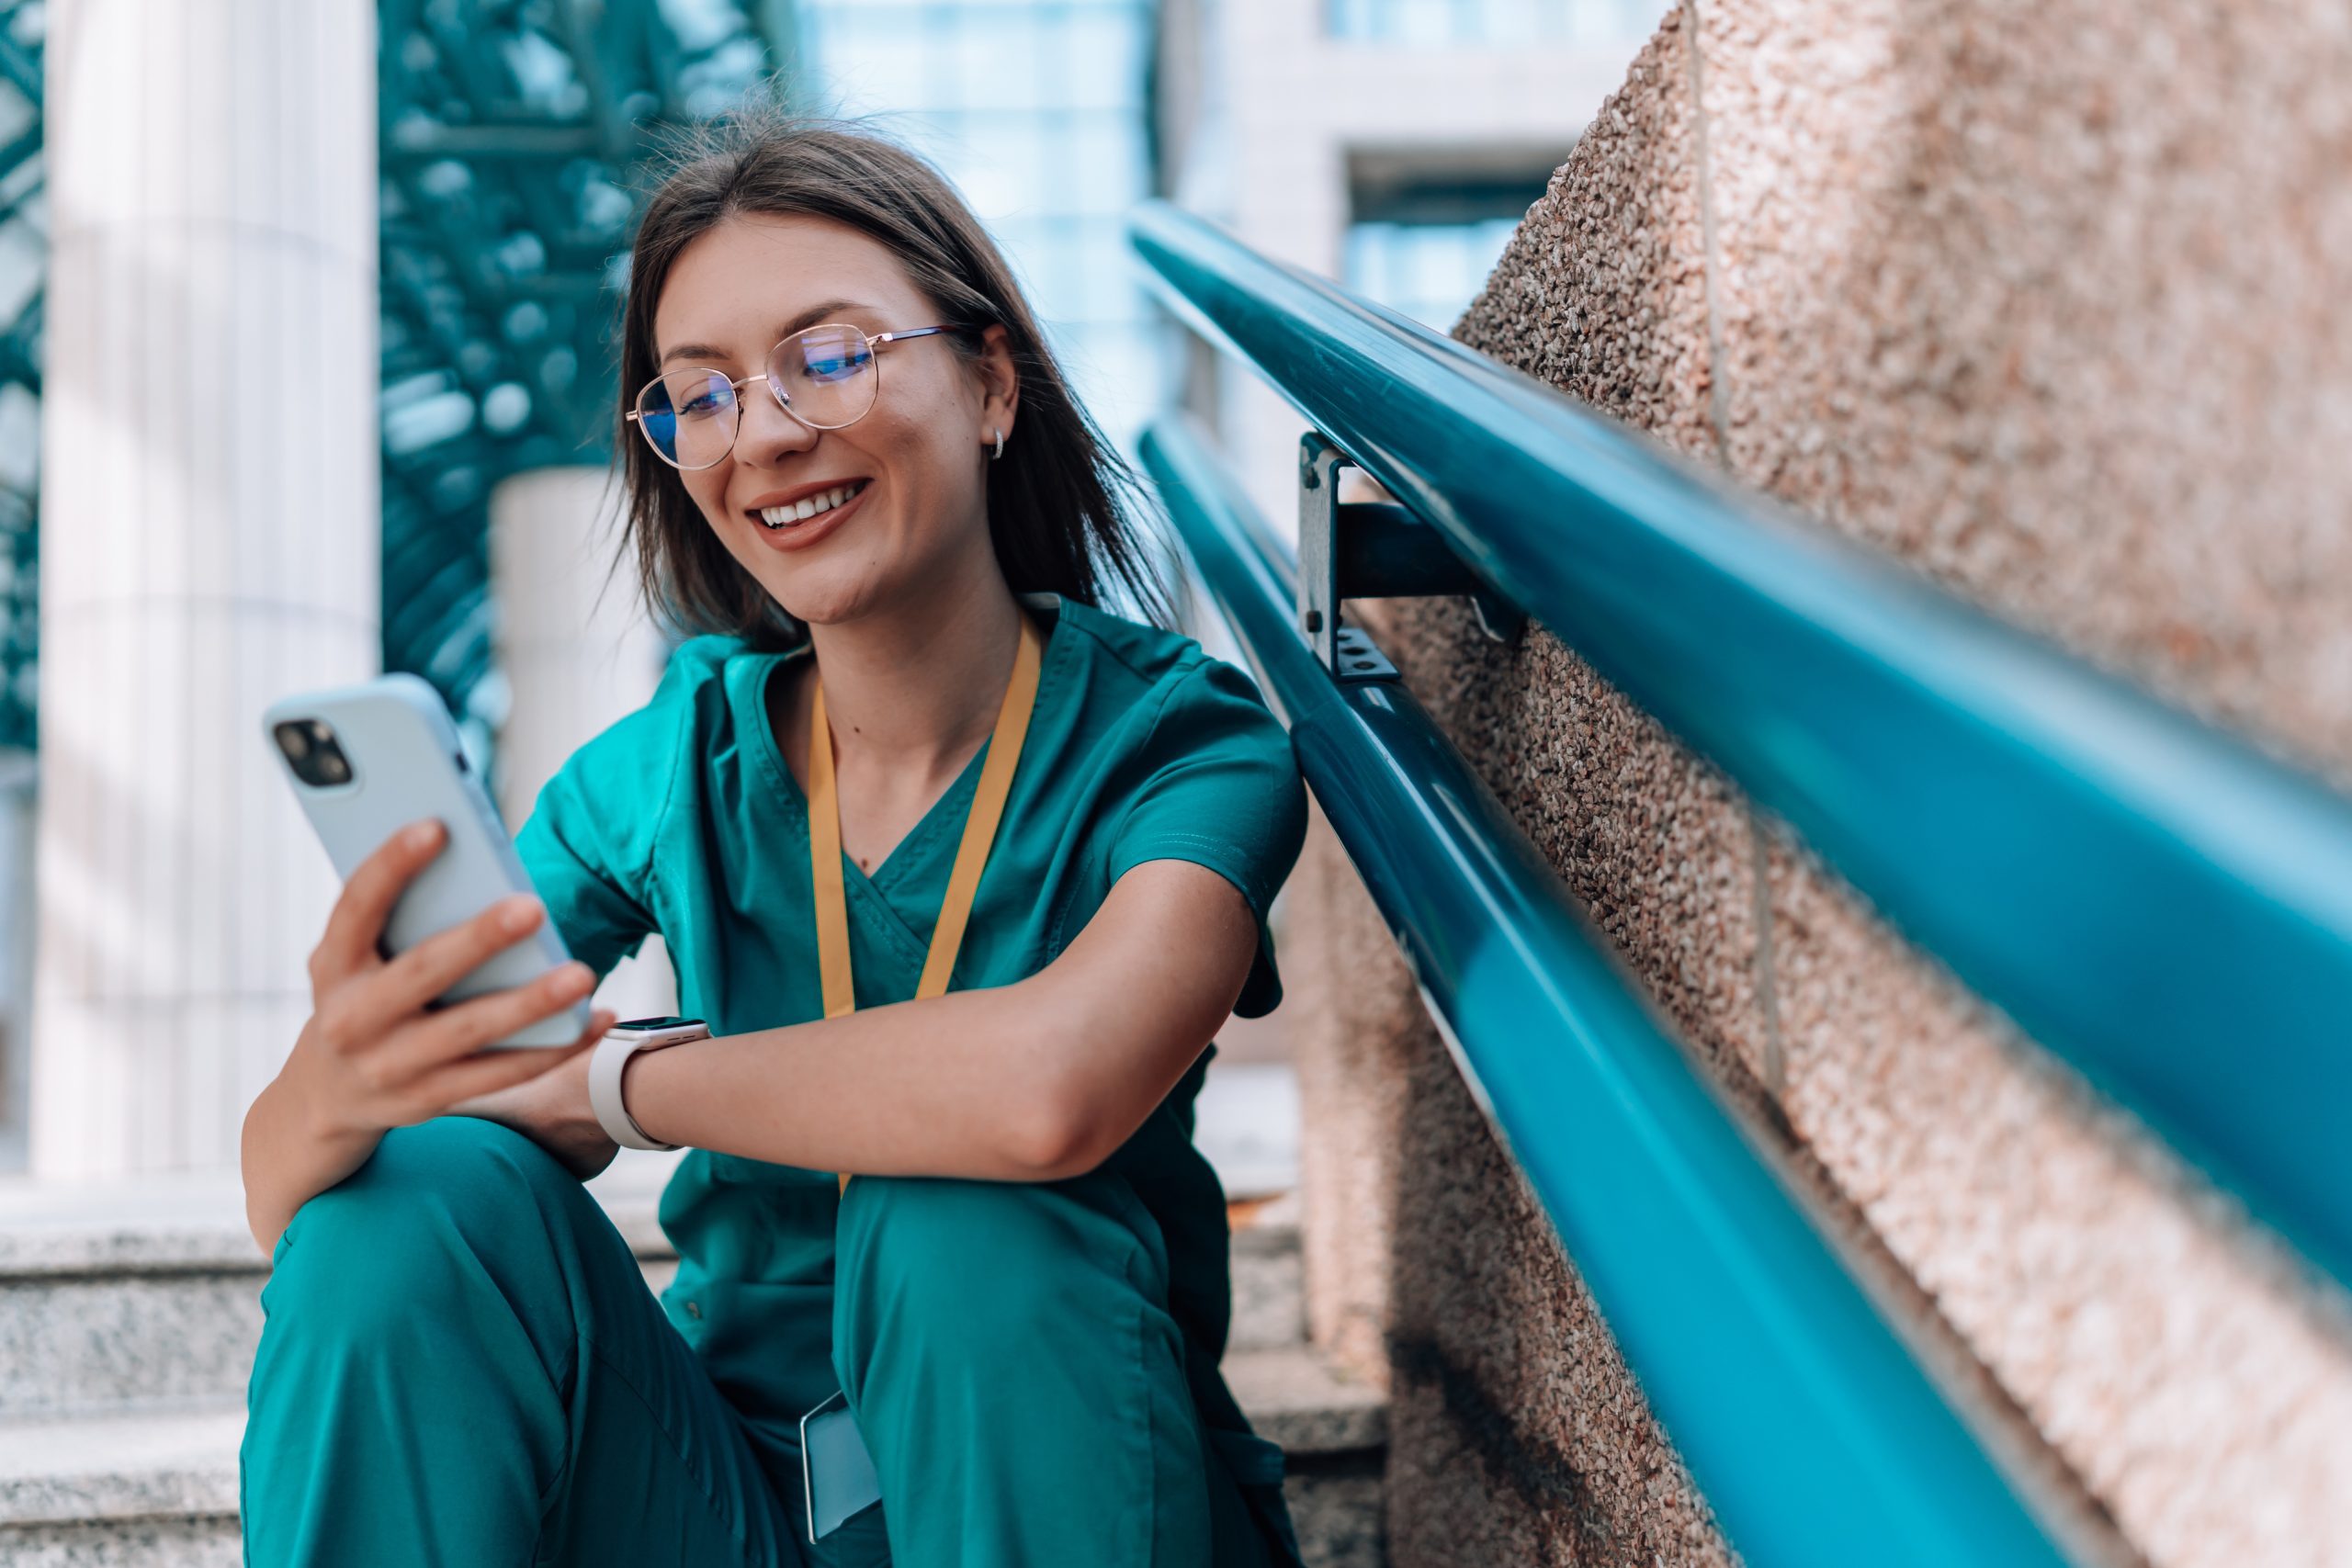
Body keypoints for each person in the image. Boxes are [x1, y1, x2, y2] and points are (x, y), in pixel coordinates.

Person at [236, 107, 1311, 1568]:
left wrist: (621, 1082)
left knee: (969, 1224)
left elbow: (1052, 1090)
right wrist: (343, 1078)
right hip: (720, 1502)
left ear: (992, 382)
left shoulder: (1183, 742)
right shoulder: (669, 766)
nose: (767, 433)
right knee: (404, 1203)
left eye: (832, 355)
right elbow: (292, 1194)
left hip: (1047, 1474)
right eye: (700, 394)